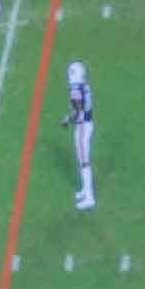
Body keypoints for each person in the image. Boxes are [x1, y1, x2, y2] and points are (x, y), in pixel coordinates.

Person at [66, 60, 97, 210]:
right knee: (81, 159)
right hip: (86, 123)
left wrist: (68, 120)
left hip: (83, 126)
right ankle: (85, 190)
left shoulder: (75, 89)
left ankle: (90, 197)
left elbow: (78, 112)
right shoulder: (84, 85)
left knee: (84, 161)